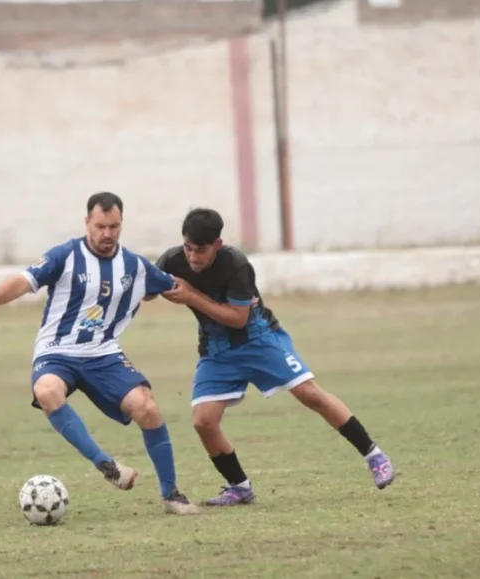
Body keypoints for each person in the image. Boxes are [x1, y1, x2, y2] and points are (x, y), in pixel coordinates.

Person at [0, 192, 199, 515]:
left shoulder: (135, 266)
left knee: (147, 407)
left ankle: (172, 494)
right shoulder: (65, 256)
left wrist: (214, 304)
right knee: (47, 390)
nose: (107, 234)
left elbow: (176, 288)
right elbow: (23, 283)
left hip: (104, 354)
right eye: (100, 226)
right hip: (57, 352)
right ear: (87, 223)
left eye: (114, 227)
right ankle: (106, 465)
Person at [154, 208, 395, 507]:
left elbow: (238, 319)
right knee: (204, 421)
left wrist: (191, 296)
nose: (192, 258)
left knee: (311, 395)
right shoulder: (173, 259)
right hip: (216, 349)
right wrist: (148, 286)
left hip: (258, 338)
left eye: (200, 251)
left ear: (217, 244)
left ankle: (374, 455)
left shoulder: (236, 264)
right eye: (188, 249)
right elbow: (147, 288)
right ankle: (239, 487)